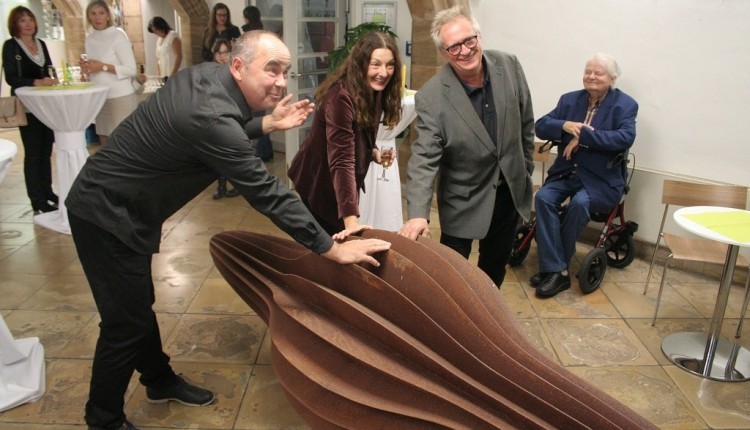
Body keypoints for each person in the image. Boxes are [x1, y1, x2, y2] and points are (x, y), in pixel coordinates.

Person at [66, 30, 391, 430]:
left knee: (134, 309)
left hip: (126, 210)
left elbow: (218, 128)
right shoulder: (211, 115)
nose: (281, 81)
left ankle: (158, 380)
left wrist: (264, 124)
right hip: (103, 214)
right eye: (271, 69)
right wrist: (329, 247)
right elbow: (266, 191)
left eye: (285, 71)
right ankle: (103, 419)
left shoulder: (208, 76)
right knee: (124, 324)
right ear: (238, 66)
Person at [398, 5, 534, 286]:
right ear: (443, 53)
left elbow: (526, 125)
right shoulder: (432, 97)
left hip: (508, 195)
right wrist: (418, 215)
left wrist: (525, 171)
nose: (465, 50)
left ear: (479, 37)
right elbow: (423, 159)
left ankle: (485, 312)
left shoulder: (509, 66)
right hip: (463, 200)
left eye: (469, 40)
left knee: (493, 270)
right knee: (451, 278)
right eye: (454, 47)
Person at [531, 53, 638, 298]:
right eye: (588, 71)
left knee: (579, 204)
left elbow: (624, 138)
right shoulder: (569, 100)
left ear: (612, 79)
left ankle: (554, 269)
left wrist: (583, 137)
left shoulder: (625, 105)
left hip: (600, 178)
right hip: (567, 171)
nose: (591, 76)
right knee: (544, 198)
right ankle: (557, 270)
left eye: (598, 73)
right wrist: (564, 125)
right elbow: (541, 125)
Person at [288, 31, 402, 235]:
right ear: (360, 63)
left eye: (390, 65)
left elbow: (360, 133)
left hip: (338, 185)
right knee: (327, 245)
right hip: (319, 183)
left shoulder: (373, 89)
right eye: (375, 64)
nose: (384, 72)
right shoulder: (340, 97)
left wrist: (374, 152)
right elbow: (342, 160)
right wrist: (351, 221)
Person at [2, 6, 58, 214]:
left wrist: (51, 80)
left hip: (45, 106)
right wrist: (37, 82)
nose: (28, 24)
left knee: (46, 151)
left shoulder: (41, 44)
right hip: (26, 107)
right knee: (33, 153)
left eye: (30, 19)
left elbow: (49, 69)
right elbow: (11, 78)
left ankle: (48, 192)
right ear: (15, 24)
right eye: (22, 20)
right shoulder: (11, 46)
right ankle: (37, 200)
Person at [83, 0, 138, 145]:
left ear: (108, 15)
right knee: (105, 143)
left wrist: (103, 67)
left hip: (120, 97)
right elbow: (95, 69)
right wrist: (87, 69)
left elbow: (131, 69)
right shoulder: (89, 39)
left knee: (123, 143)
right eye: (93, 14)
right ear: (88, 17)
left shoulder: (117, 36)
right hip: (100, 97)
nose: (97, 17)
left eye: (101, 13)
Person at [241, 5, 273, 162]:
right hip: (263, 77)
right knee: (261, 115)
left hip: (255, 78)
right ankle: (266, 149)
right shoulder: (263, 32)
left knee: (256, 117)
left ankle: (263, 150)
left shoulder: (249, 33)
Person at [210, 39, 239, 200]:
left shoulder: (235, 71)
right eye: (219, 53)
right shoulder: (210, 72)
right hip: (216, 115)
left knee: (233, 152)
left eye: (225, 52)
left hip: (234, 115)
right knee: (218, 154)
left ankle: (237, 185)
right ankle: (221, 186)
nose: (222, 56)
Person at [147, 16, 183, 80]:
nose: (156, 33)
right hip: (164, 75)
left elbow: (179, 56)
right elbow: (158, 58)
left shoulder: (173, 35)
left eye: (156, 31)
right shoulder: (159, 40)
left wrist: (172, 75)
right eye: (154, 32)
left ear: (161, 27)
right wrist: (159, 75)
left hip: (174, 74)